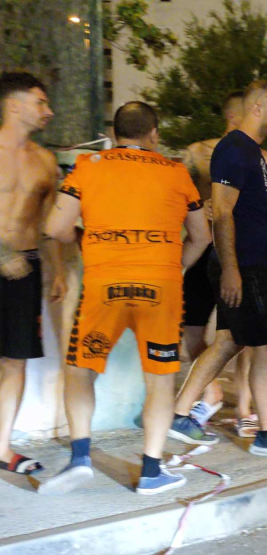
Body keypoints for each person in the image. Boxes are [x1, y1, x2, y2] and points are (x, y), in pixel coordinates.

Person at [39, 102, 213, 495]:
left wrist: (87, 242)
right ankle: (151, 471)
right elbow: (202, 236)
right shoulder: (176, 173)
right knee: (160, 381)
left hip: (105, 288)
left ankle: (80, 456)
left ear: (115, 133)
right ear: (153, 133)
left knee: (81, 369)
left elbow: (55, 227)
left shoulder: (88, 165)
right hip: (160, 291)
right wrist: (174, 266)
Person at [169, 79, 267, 459]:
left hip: (253, 262)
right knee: (266, 345)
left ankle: (181, 415)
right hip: (240, 266)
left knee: (231, 341)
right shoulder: (234, 150)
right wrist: (233, 269)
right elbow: (222, 212)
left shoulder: (253, 154)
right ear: (258, 109)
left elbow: (256, 214)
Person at [180, 90, 265, 438]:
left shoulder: (260, 159)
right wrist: (202, 206)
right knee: (192, 331)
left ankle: (244, 406)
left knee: (240, 334)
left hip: (240, 251)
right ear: (235, 116)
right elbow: (179, 195)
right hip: (204, 251)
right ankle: (212, 392)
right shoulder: (197, 153)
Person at [0, 72, 64, 478]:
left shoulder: (46, 161)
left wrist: (57, 270)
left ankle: (1, 447)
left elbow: (48, 225)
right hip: (6, 258)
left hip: (25, 270)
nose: (48, 110)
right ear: (14, 104)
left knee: (15, 361)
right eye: (40, 102)